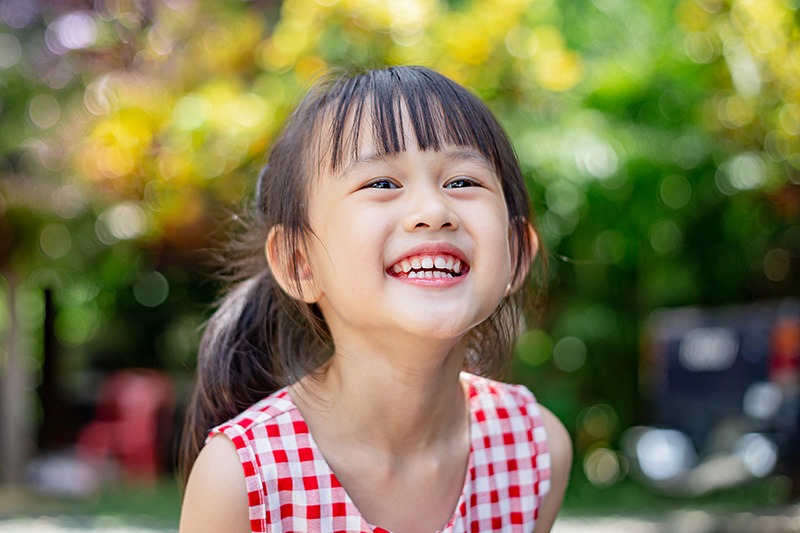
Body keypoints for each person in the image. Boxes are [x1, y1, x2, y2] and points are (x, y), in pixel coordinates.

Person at [179, 65, 571, 533]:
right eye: (381, 183)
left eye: (463, 181)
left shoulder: (534, 449)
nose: (433, 211)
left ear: (516, 253)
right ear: (299, 263)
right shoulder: (242, 480)